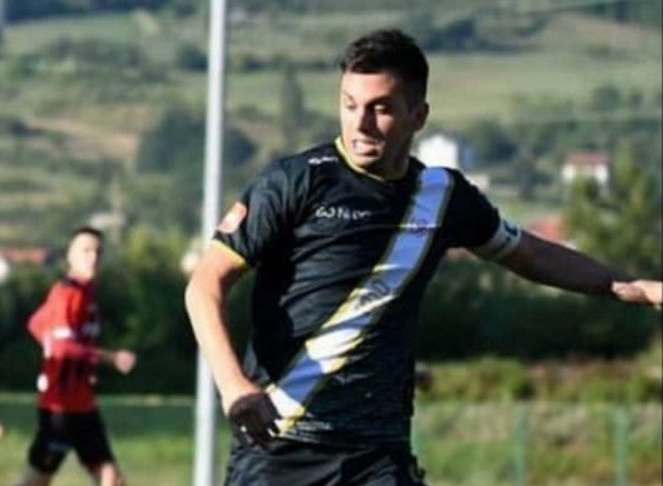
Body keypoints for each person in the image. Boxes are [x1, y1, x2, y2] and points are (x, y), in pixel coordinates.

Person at [185, 29, 660, 486]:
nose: (360, 124)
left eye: (380, 108)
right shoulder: (296, 182)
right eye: (349, 105)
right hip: (280, 447)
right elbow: (205, 286)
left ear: (418, 115)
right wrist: (234, 386)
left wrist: (632, 287)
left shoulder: (443, 197)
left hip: (376, 454)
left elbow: (531, 255)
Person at [12, 226, 136, 486]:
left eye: (98, 251)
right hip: (61, 408)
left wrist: (61, 351)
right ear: (69, 256)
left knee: (111, 479)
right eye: (85, 250)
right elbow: (63, 346)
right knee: (36, 480)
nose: (93, 257)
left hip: (83, 406)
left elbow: (36, 324)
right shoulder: (66, 294)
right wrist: (110, 358)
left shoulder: (85, 293)